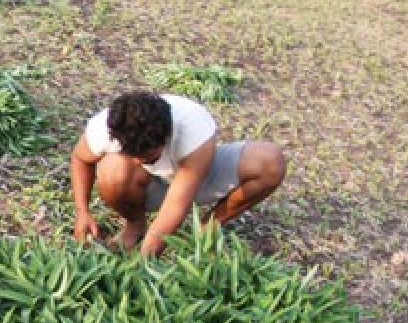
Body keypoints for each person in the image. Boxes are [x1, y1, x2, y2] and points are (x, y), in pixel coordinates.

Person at [69, 91, 286, 256]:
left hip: (195, 178)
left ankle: (206, 228)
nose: (139, 161)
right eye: (133, 154)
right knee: (112, 170)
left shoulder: (194, 130)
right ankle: (135, 224)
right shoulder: (106, 127)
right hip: (149, 185)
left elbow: (177, 203)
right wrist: (82, 212)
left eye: (148, 155)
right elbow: (80, 159)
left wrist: (145, 260)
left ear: (168, 134)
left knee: (270, 161)